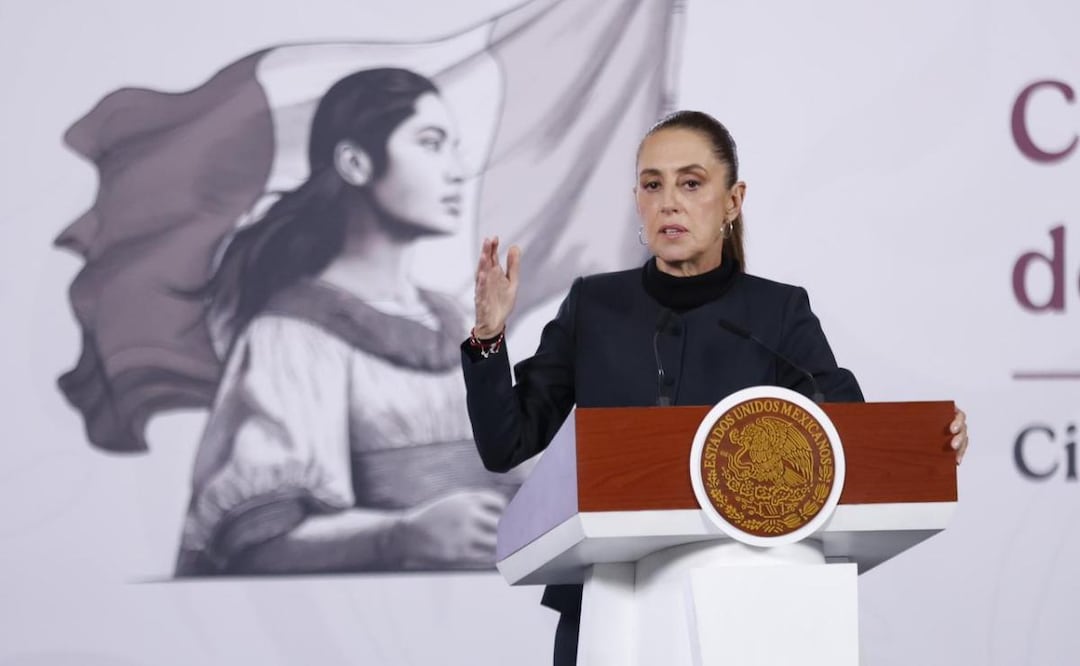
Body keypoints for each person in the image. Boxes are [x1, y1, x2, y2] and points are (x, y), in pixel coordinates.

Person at [460, 110, 970, 665]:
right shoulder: (595, 306)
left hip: (751, 613)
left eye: (691, 183)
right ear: (637, 199)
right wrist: (489, 337)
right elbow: (505, 443)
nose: (669, 202)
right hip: (604, 609)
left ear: (733, 200)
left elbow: (848, 437)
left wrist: (928, 443)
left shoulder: (777, 313)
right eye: (652, 185)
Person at [175, 67, 523, 576]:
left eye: (454, 146)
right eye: (430, 143)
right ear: (356, 162)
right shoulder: (292, 335)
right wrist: (401, 536)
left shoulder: (457, 321)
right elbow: (256, 538)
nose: (456, 170)